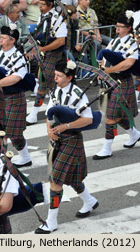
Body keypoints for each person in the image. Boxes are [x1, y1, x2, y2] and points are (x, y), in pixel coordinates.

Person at [35, 59, 99, 234]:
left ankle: (51, 221)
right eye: (55, 74)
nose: (55, 78)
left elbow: (89, 119)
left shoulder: (79, 94)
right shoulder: (56, 91)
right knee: (71, 178)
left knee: (55, 180)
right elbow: (50, 113)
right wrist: (49, 130)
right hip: (58, 140)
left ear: (69, 77)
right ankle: (90, 201)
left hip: (71, 140)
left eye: (59, 75)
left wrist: (67, 126)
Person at [93, 13, 140, 160]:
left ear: (128, 28)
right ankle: (134, 134)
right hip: (110, 81)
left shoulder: (133, 43)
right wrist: (102, 69)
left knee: (111, 117)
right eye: (116, 27)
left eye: (120, 27)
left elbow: (128, 63)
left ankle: (107, 148)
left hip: (122, 82)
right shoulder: (114, 41)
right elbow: (106, 58)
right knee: (116, 115)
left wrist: (109, 70)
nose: (117, 30)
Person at [0, 25, 32, 167]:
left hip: (14, 97)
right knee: (0, 131)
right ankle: (1, 158)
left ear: (12, 40)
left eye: (3, 37)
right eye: (0, 37)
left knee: (15, 134)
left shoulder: (17, 57)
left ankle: (25, 158)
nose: (0, 39)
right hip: (0, 98)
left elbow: (16, 77)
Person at [26, 0, 67, 125]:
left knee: (45, 82)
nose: (40, 6)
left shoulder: (57, 19)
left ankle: (37, 113)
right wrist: (35, 48)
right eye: (40, 4)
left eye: (43, 4)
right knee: (47, 83)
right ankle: (52, 109)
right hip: (44, 54)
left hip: (54, 55)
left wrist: (43, 49)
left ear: (50, 5)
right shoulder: (43, 17)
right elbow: (39, 35)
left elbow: (60, 41)